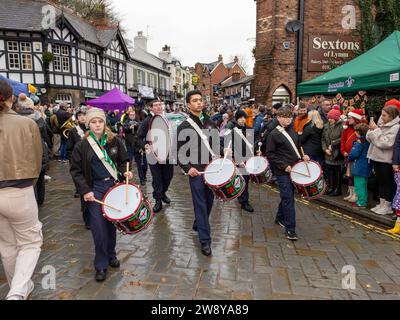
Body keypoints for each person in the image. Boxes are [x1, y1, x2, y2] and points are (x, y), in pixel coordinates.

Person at [70, 107, 132, 282]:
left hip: (112, 187)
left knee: (112, 224)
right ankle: (101, 264)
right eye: (93, 122)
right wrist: (85, 190)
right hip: (94, 189)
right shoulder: (82, 145)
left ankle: (111, 254)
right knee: (98, 228)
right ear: (88, 124)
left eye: (100, 121)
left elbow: (124, 161)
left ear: (105, 123)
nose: (97, 125)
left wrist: (125, 172)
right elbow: (75, 171)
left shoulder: (115, 141)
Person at [0, 80, 43, 300]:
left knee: (7, 245)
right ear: (11, 98)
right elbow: (37, 161)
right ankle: (17, 292)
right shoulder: (26, 124)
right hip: (19, 189)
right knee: (30, 244)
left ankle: (18, 287)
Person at [177, 90, 226, 256]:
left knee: (210, 202)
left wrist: (223, 149)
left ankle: (199, 223)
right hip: (196, 171)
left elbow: (214, 143)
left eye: (200, 100)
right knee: (200, 204)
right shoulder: (184, 126)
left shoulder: (210, 122)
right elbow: (179, 152)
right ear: (189, 105)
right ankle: (205, 240)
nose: (199, 103)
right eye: (195, 100)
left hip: (212, 169)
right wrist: (187, 168)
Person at [266, 106, 310, 241]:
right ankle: (290, 229)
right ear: (279, 118)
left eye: (290, 117)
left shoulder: (293, 131)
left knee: (287, 196)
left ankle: (279, 217)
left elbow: (297, 148)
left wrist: (304, 156)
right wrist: (284, 166)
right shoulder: (274, 134)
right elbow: (270, 154)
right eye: (285, 117)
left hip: (295, 168)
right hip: (282, 171)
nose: (288, 119)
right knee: (288, 198)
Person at [137, 99, 174, 213]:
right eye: (156, 105)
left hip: (167, 154)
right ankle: (158, 200)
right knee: (157, 179)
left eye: (160, 105)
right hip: (154, 155)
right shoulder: (147, 121)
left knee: (168, 176)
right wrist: (146, 146)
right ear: (151, 108)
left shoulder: (166, 119)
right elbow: (138, 138)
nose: (158, 107)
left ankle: (163, 193)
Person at [367, 105, 400, 215]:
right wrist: (372, 130)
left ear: (391, 116)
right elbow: (369, 138)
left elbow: (386, 143)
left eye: (384, 115)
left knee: (387, 184)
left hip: (386, 159)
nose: (382, 117)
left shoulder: (395, 127)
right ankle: (381, 204)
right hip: (376, 157)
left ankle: (387, 206)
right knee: (380, 183)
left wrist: (376, 131)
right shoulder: (381, 124)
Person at [224, 109, 255, 212]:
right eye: (240, 118)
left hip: (249, 159)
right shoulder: (233, 132)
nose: (242, 120)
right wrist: (238, 161)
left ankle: (241, 197)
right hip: (240, 160)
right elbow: (231, 147)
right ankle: (244, 202)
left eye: (244, 118)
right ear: (236, 119)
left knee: (247, 180)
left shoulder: (250, 129)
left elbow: (252, 144)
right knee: (244, 181)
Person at [67, 109, 90, 229]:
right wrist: (74, 161)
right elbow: (69, 148)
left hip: (93, 164)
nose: (82, 117)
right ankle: (87, 219)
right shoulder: (74, 131)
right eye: (79, 115)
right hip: (80, 164)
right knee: (84, 191)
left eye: (84, 115)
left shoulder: (91, 129)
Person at [340, 109, 365, 202]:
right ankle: (351, 193)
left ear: (355, 118)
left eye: (350, 118)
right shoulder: (346, 128)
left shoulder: (360, 129)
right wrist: (343, 151)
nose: (348, 119)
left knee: (355, 175)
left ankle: (356, 194)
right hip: (347, 155)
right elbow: (343, 140)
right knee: (349, 175)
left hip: (356, 156)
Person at [347, 123, 372, 208]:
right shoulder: (368, 141)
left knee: (359, 185)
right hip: (366, 166)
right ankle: (363, 200)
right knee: (364, 185)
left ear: (358, 132)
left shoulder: (359, 142)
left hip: (359, 167)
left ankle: (361, 202)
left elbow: (354, 153)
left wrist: (349, 157)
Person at [322, 109, 344, 196]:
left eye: (331, 118)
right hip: (328, 153)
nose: (329, 119)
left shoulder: (341, 126)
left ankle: (337, 189)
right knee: (329, 172)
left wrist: (333, 143)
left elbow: (342, 138)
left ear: (336, 118)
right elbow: (323, 138)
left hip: (336, 154)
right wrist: (325, 149)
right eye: (329, 117)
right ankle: (331, 188)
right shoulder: (326, 126)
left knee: (337, 172)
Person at [123, 110, 148, 185]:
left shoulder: (138, 121)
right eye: (131, 115)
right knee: (129, 161)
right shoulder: (126, 122)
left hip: (137, 146)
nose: (132, 116)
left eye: (133, 115)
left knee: (141, 164)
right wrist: (129, 128)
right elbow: (124, 129)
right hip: (129, 145)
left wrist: (137, 125)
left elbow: (142, 128)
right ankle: (127, 176)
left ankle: (142, 178)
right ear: (129, 115)